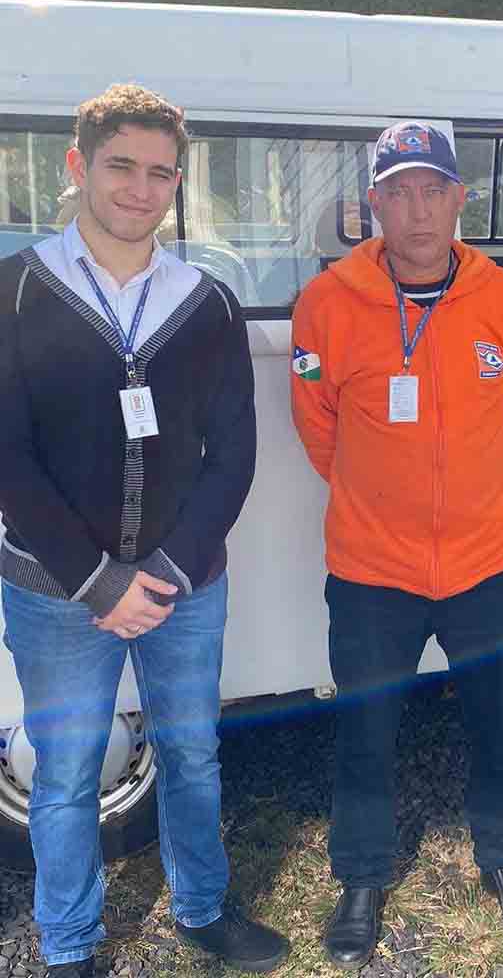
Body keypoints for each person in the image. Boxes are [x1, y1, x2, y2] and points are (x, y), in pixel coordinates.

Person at [0, 85, 288, 976]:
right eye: (121, 165)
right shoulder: (14, 290)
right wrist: (100, 584)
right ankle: (69, 946)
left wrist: (166, 569)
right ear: (78, 165)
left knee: (193, 755)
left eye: (161, 173)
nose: (140, 188)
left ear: (178, 184)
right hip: (56, 590)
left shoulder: (207, 301)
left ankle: (202, 910)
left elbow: (232, 455)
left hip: (183, 584)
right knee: (65, 772)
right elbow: (7, 456)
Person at [291, 121, 503, 969]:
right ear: (375, 203)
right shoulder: (327, 303)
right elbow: (318, 425)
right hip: (373, 567)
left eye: (432, 191)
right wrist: (382, 493)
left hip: (486, 560)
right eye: (398, 193)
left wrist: (466, 486)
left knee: (498, 721)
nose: (417, 210)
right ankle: (361, 877)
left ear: (458, 199)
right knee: (366, 730)